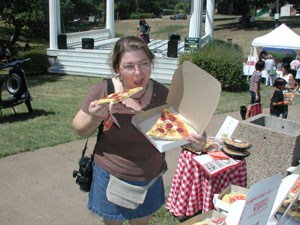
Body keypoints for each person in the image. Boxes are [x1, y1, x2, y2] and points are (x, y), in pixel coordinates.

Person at [72, 36, 207, 225]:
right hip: (112, 177)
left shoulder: (163, 94)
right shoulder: (104, 91)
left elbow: (180, 132)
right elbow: (79, 129)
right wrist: (94, 118)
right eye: (129, 66)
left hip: (149, 179)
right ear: (117, 68)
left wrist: (197, 141)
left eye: (144, 63)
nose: (138, 72)